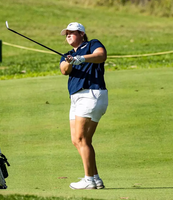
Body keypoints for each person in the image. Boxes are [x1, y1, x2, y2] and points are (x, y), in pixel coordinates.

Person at [59, 22, 108, 190]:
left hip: (91, 93)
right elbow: (64, 70)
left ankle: (88, 179)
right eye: (67, 33)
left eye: (72, 32)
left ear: (81, 34)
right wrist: (70, 60)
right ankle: (95, 178)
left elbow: (101, 56)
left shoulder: (92, 44)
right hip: (76, 98)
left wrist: (82, 58)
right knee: (78, 140)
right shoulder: (67, 55)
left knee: (82, 139)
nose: (68, 35)